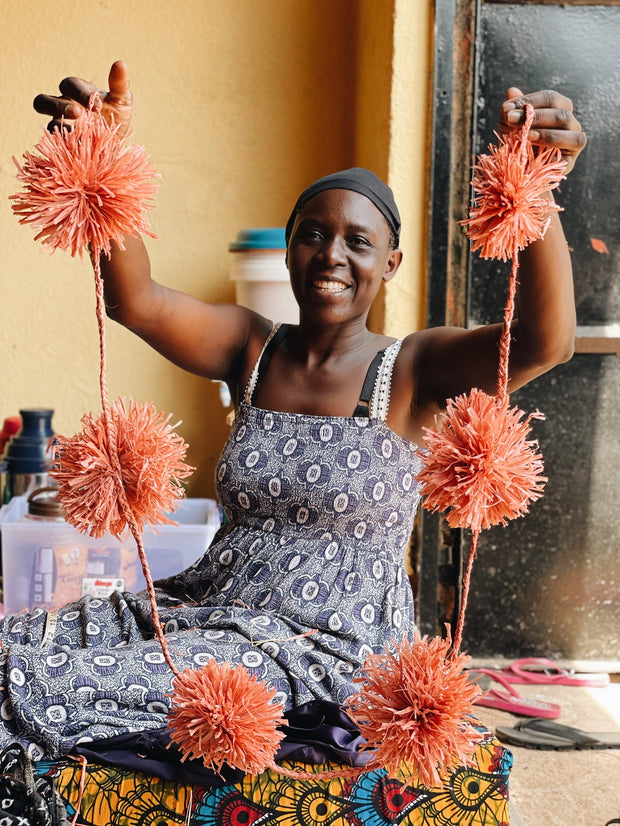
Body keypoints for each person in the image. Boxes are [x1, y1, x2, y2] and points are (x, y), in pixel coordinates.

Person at [0, 62, 585, 765]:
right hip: (203, 609)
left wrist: (538, 185)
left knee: (32, 682)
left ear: (391, 263)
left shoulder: (413, 369)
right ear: (289, 247)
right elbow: (138, 300)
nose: (331, 255)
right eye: (313, 234)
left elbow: (545, 344)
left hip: (321, 649)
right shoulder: (253, 347)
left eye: (357, 242)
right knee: (15, 643)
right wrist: (97, 148)